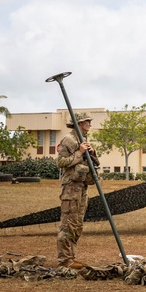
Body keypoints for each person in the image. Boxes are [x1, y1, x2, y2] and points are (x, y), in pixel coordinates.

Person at [55, 111, 99, 270]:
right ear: (80, 123)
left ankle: (71, 257)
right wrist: (79, 152)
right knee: (68, 225)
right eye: (88, 122)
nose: (90, 124)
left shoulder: (82, 139)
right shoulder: (69, 140)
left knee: (77, 225)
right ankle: (64, 260)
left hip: (82, 187)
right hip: (71, 188)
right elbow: (61, 162)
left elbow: (94, 163)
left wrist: (91, 153)